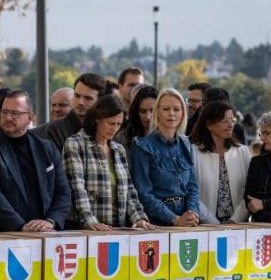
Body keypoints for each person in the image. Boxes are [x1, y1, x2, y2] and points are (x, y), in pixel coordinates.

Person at [0, 90, 71, 232]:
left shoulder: (46, 148)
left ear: (30, 117)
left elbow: (63, 192)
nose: (8, 117)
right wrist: (20, 226)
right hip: (4, 235)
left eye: (15, 113)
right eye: (4, 112)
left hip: (45, 234)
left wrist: (51, 221)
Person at [63, 95, 153, 231]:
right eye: (111, 123)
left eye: (118, 124)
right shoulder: (75, 144)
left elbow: (129, 190)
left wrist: (139, 218)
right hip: (84, 229)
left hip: (117, 227)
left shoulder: (119, 149)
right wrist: (89, 220)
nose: (115, 128)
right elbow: (76, 188)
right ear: (97, 119)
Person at [130, 88, 199, 227]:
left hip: (186, 221)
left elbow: (192, 187)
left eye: (176, 109)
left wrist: (192, 212)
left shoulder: (186, 144)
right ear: (157, 113)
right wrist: (175, 219)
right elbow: (144, 194)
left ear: (182, 114)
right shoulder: (142, 146)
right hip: (156, 222)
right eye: (166, 109)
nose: (171, 114)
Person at [190, 101, 252, 224]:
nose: (230, 125)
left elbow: (250, 191)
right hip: (204, 226)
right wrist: (213, 223)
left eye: (232, 120)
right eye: (225, 121)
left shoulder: (242, 152)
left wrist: (234, 221)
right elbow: (191, 193)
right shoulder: (193, 152)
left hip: (238, 226)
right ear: (209, 124)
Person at [39, 72, 105, 150]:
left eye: (88, 98)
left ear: (100, 101)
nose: (80, 102)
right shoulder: (55, 130)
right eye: (77, 96)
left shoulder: (106, 127)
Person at [115, 84, 157, 151]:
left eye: (152, 111)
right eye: (143, 111)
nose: (148, 117)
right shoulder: (123, 138)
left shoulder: (170, 136)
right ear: (136, 112)